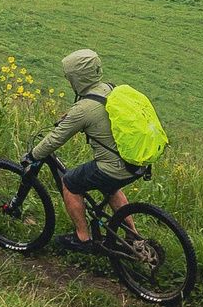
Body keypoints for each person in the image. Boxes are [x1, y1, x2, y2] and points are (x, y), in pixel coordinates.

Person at [25, 48, 137, 255]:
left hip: (114, 167)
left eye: (70, 78)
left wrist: (32, 156)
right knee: (110, 188)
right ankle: (132, 236)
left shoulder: (83, 109)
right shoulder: (111, 89)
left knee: (69, 183)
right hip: (136, 163)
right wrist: (71, 116)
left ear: (78, 79)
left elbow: (55, 139)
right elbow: (96, 111)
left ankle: (82, 238)